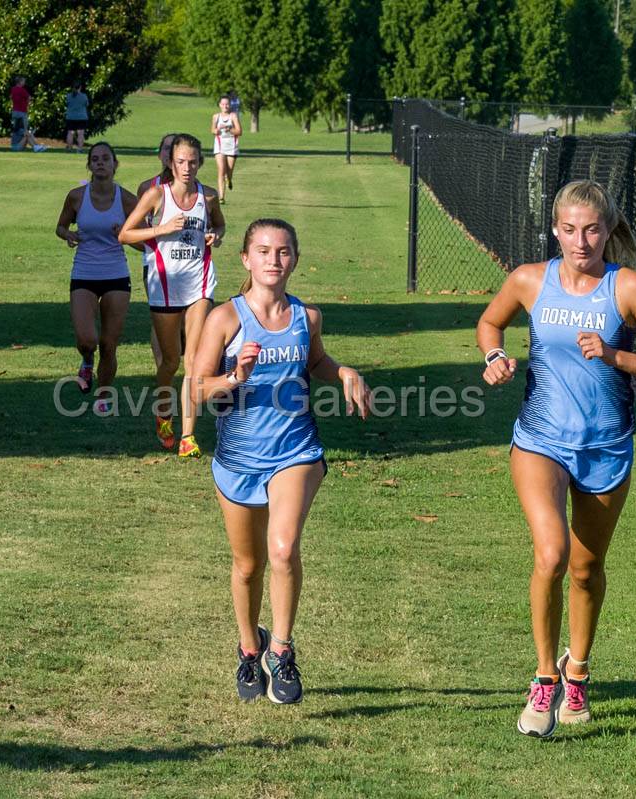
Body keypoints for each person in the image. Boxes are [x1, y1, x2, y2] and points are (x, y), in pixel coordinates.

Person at [476, 179, 636, 738]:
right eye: (569, 229)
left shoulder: (628, 288)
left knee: (585, 567)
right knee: (550, 554)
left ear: (607, 230)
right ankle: (544, 678)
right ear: (555, 229)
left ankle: (578, 670)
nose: (580, 240)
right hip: (541, 440)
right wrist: (494, 354)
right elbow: (489, 321)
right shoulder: (530, 280)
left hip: (606, 447)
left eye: (591, 229)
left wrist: (617, 354)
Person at [192, 218, 369, 704]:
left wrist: (343, 371)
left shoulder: (306, 317)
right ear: (246, 259)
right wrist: (235, 375)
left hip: (296, 451)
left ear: (294, 259)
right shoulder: (224, 319)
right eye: (264, 251)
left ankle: (283, 652)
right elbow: (198, 388)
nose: (274, 259)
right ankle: (251, 649)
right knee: (248, 566)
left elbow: (315, 363)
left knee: (284, 549)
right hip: (238, 459)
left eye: (284, 251)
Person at [118, 134, 225, 458]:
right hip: (165, 283)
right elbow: (125, 233)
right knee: (170, 361)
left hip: (199, 282)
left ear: (200, 162)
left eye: (193, 161)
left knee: (194, 361)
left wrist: (214, 236)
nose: (187, 167)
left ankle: (188, 437)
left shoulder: (208, 196)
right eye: (181, 161)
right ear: (170, 162)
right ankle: (164, 412)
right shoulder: (156, 195)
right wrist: (160, 230)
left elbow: (220, 226)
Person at [55, 142, 141, 413]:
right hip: (84, 273)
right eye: (95, 159)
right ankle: (86, 361)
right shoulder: (76, 197)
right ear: (89, 165)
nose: (100, 163)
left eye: (106, 159)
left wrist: (124, 236)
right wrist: (68, 234)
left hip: (116, 274)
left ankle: (104, 395)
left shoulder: (127, 200)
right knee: (87, 340)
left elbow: (145, 242)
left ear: (115, 164)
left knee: (109, 343)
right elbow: (60, 226)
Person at [136, 133, 179, 370]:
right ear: (159, 153)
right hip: (156, 263)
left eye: (175, 148)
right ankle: (162, 366)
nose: (170, 152)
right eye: (166, 148)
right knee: (160, 317)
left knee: (183, 320)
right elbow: (135, 229)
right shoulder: (147, 187)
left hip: (189, 262)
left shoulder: (196, 187)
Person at [211, 96, 241, 203]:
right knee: (221, 171)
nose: (225, 106)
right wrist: (218, 130)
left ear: (230, 105)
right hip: (219, 146)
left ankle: (229, 179)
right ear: (219, 105)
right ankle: (221, 197)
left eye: (227, 104)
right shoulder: (216, 117)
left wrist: (229, 129)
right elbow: (212, 130)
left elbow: (239, 132)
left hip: (231, 146)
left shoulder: (233, 116)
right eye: (223, 104)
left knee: (229, 171)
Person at [10, 76, 47, 152]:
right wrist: (27, 104)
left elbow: (11, 97)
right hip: (22, 112)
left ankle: (37, 146)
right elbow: (29, 98)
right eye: (23, 81)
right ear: (20, 82)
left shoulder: (13, 89)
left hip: (15, 112)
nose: (24, 83)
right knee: (25, 131)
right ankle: (36, 146)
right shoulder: (22, 90)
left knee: (18, 129)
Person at [64, 83, 89, 152]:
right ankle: (79, 149)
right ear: (80, 87)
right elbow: (86, 104)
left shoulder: (68, 96)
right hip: (81, 117)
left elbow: (67, 104)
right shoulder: (84, 96)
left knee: (70, 133)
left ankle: (69, 148)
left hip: (70, 117)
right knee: (80, 133)